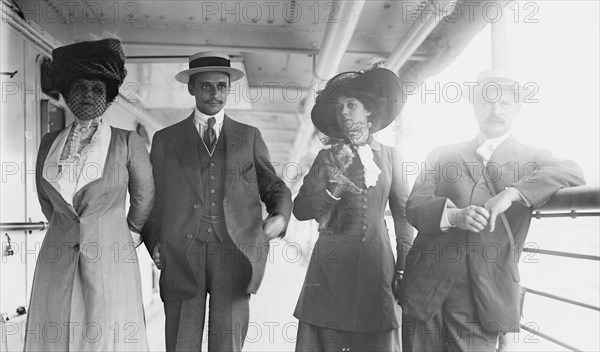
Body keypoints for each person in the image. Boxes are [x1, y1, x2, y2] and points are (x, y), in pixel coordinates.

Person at [399, 69, 586, 351]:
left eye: (505, 103)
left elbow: (573, 172)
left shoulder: (531, 158)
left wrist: (513, 193)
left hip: (483, 302)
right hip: (424, 292)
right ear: (475, 107)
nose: (495, 110)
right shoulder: (442, 154)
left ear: (517, 109)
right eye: (487, 102)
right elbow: (414, 207)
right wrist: (454, 215)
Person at [142, 52, 293, 351]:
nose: (215, 93)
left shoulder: (249, 137)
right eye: (207, 86)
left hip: (234, 253)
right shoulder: (165, 139)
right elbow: (152, 199)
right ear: (192, 89)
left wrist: (281, 215)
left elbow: (274, 187)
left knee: (228, 342)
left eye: (222, 86)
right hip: (182, 252)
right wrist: (154, 241)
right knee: (181, 342)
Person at [27, 38, 154, 351]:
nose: (87, 95)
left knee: (103, 333)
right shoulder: (48, 142)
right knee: (55, 328)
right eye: (79, 87)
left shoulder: (127, 142)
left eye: (97, 89)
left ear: (108, 96)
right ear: (67, 93)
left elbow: (144, 196)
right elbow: (48, 201)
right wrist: (66, 226)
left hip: (110, 255)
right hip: (57, 257)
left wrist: (125, 233)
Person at [292, 67, 414, 351]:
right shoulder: (326, 158)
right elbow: (300, 209)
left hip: (377, 266)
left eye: (351, 105)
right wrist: (331, 191)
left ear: (369, 110)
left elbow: (403, 217)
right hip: (330, 268)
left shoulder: (391, 158)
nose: (344, 112)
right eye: (339, 107)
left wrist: (403, 269)